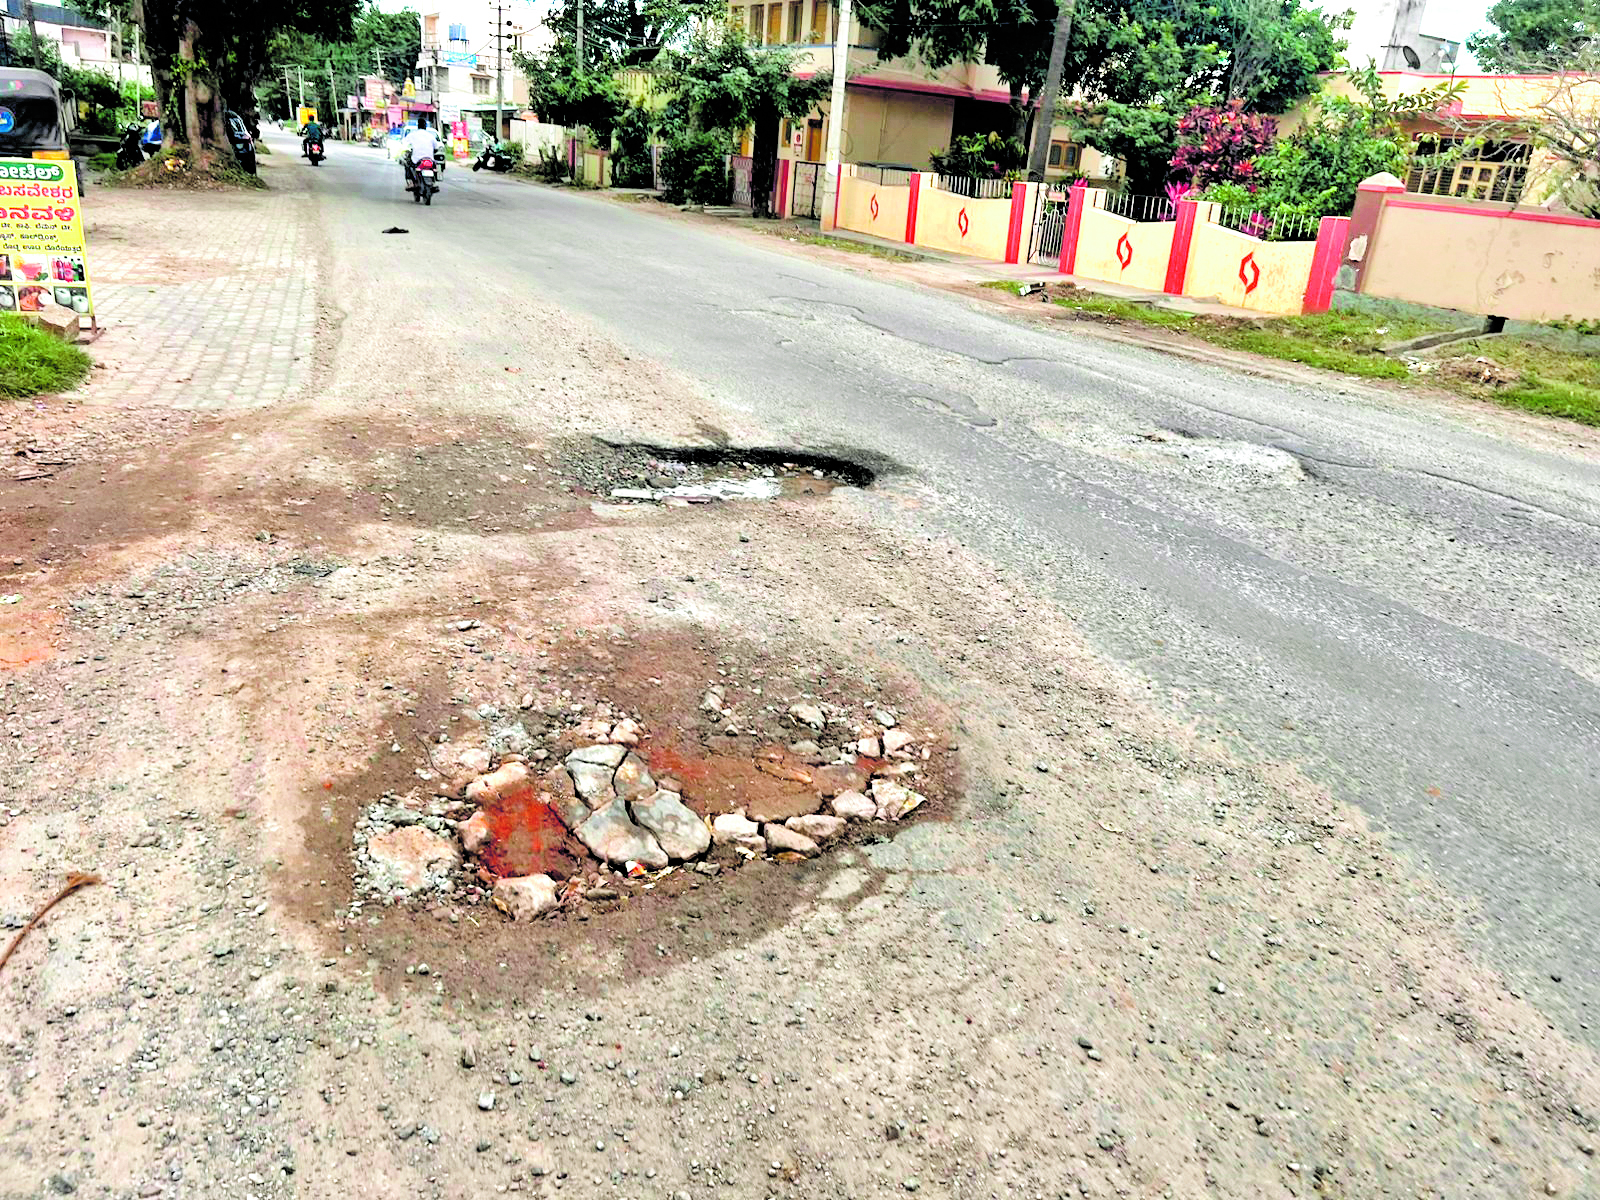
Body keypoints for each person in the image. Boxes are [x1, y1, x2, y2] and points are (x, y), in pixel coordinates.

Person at [400, 116, 441, 190]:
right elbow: (436, 147)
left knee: (408, 165)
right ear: (425, 126)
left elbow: (404, 143)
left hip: (416, 159)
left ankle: (411, 183)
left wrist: (407, 150)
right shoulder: (430, 136)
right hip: (429, 159)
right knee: (435, 167)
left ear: (418, 126)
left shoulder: (413, 134)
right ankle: (433, 182)